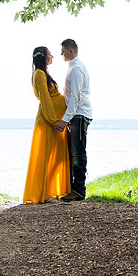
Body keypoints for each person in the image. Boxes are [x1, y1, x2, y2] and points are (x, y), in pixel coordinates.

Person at [22, 46, 72, 204]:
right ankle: (45, 194)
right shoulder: (39, 74)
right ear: (43, 57)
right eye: (50, 54)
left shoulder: (44, 73)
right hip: (48, 121)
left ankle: (52, 190)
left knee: (55, 157)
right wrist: (54, 121)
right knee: (46, 158)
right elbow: (45, 99)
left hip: (56, 120)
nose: (53, 57)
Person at [54, 38, 93, 202]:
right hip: (75, 115)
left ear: (70, 50)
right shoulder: (73, 67)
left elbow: (75, 97)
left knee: (78, 154)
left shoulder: (76, 68)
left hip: (79, 115)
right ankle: (73, 188)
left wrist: (65, 120)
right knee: (74, 154)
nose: (61, 54)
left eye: (63, 50)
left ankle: (79, 191)